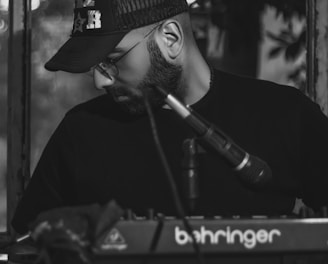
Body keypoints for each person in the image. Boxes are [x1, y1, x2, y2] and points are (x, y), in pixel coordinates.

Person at [12, 0, 328, 235]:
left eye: (111, 60)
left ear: (171, 39)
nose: (100, 81)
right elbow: (28, 243)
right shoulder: (80, 133)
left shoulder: (284, 114)